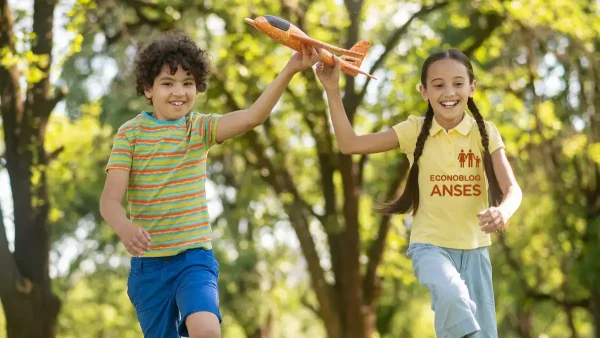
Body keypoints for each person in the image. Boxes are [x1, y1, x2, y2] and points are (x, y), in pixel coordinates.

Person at [99, 30, 319, 338]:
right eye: (168, 83)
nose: (180, 92)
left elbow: (253, 116)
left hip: (194, 258)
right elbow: (109, 201)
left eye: (188, 83)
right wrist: (125, 228)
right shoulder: (130, 134)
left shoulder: (199, 128)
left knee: (206, 331)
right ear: (148, 89)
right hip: (148, 269)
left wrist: (291, 68)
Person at [315, 48, 522, 337]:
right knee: (451, 294)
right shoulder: (412, 130)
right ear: (423, 91)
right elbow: (349, 144)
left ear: (472, 88)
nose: (448, 92)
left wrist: (503, 211)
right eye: (438, 85)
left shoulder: (485, 132)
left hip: (475, 251)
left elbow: (513, 189)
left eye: (458, 83)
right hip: (430, 248)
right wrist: (332, 90)